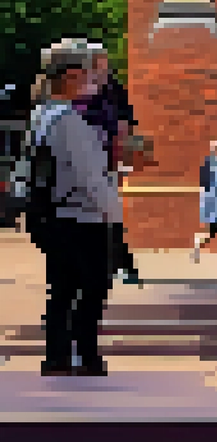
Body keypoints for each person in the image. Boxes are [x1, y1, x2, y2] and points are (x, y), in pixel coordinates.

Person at [33, 41, 122, 377]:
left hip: (53, 214)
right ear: (71, 75)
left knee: (62, 288)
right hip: (81, 216)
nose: (96, 78)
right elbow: (90, 177)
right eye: (89, 71)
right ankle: (86, 355)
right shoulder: (69, 120)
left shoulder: (42, 115)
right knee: (92, 287)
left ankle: (56, 356)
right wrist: (115, 215)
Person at [72, 42, 140, 286]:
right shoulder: (77, 88)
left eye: (103, 62)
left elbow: (127, 123)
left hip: (104, 161)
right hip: (78, 162)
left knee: (108, 214)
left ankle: (121, 264)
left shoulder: (113, 90)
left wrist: (121, 155)